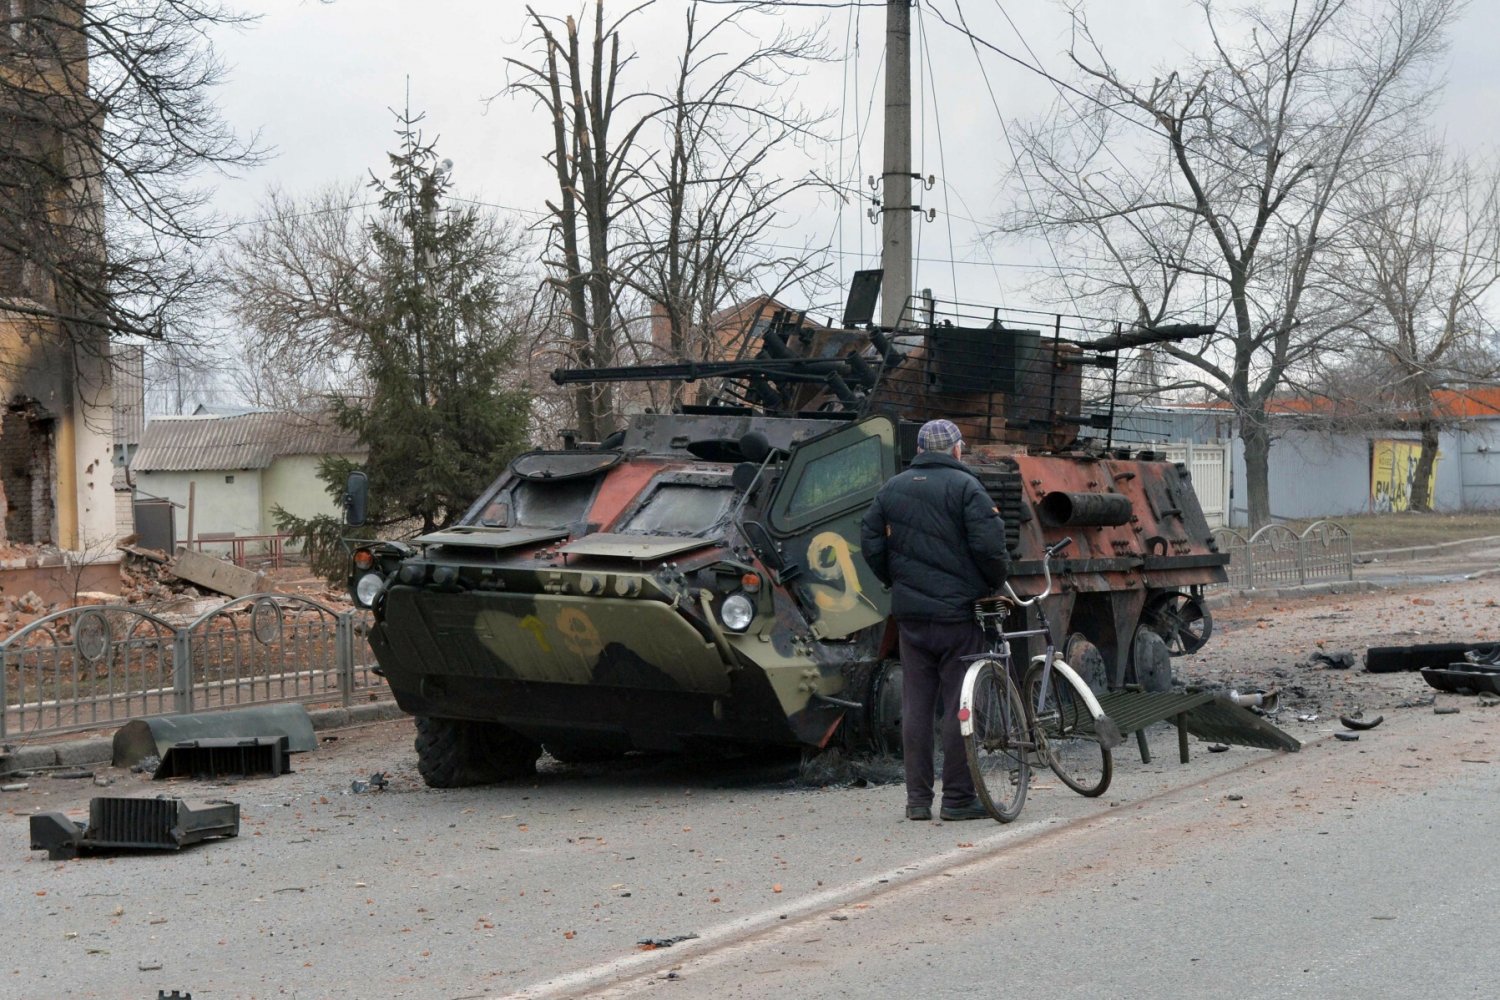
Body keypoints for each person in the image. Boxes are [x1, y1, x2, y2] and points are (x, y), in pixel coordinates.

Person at [860, 418, 1011, 821]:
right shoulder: (967, 488)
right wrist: (991, 582)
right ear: (957, 449)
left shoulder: (891, 488)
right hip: (958, 615)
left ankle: (917, 801)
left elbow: (870, 543)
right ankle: (958, 799)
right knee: (959, 704)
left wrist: (895, 580)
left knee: (916, 705)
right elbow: (990, 547)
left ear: (921, 451)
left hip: (911, 616)